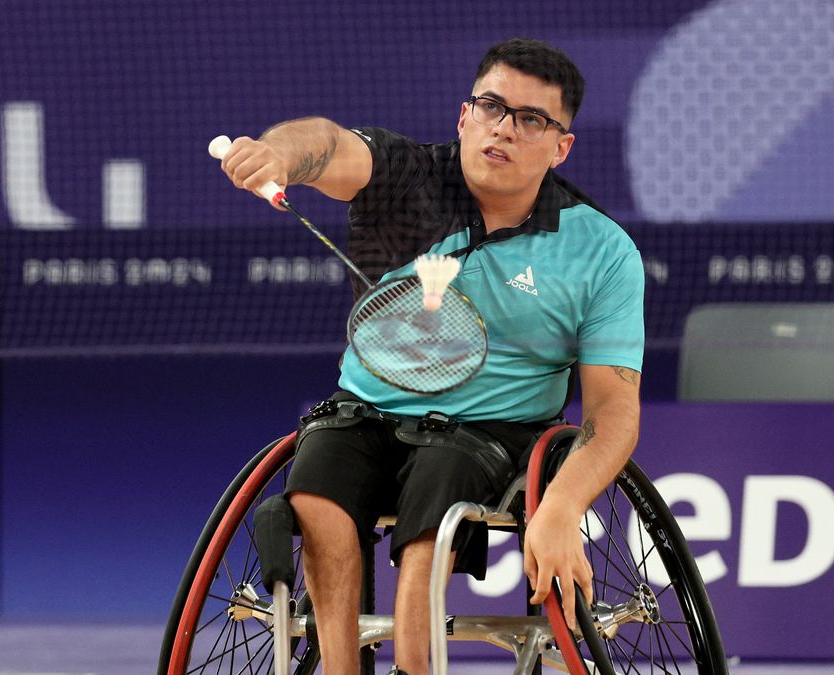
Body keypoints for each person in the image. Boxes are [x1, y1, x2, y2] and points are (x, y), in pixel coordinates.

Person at [219, 37, 644, 675]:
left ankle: (415, 667)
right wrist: (278, 152)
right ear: (463, 117)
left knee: (438, 498)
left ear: (561, 147)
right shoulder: (403, 178)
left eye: (531, 120)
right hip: (366, 410)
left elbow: (613, 411)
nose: (504, 129)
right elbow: (330, 144)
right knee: (317, 484)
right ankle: (339, 667)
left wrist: (561, 507)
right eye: (492, 107)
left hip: (490, 435)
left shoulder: (601, 251)